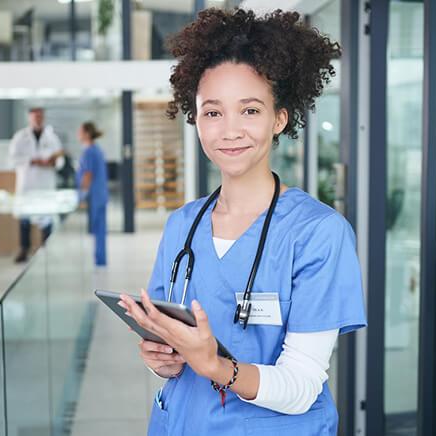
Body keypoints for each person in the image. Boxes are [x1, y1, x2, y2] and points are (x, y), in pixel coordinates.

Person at [118, 9, 367, 436]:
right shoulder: (182, 226)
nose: (230, 130)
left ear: (279, 120)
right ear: (196, 119)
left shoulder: (319, 234)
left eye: (249, 111)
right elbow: (171, 346)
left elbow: (303, 386)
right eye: (213, 113)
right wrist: (163, 360)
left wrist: (213, 364)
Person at [9, 107, 64, 263]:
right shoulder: (20, 137)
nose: (38, 119)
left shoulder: (52, 137)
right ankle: (24, 249)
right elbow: (13, 160)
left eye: (40, 116)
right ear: (29, 118)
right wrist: (32, 161)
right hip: (28, 184)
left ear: (44, 117)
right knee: (25, 220)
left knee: (47, 220)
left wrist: (53, 162)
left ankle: (46, 251)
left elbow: (60, 160)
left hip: (45, 184)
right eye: (35, 117)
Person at [77, 121, 109, 266]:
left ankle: (100, 260)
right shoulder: (96, 149)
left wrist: (81, 195)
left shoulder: (90, 151)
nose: (78, 134)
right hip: (100, 194)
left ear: (87, 134)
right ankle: (100, 259)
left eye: (80, 131)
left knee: (98, 230)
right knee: (100, 230)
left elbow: (88, 175)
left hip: (95, 196)